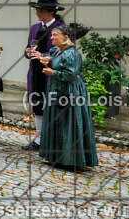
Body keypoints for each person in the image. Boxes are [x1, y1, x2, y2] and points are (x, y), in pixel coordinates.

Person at [35, 22, 98, 170]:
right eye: (51, 35)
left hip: (70, 91)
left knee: (68, 122)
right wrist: (48, 62)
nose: (51, 37)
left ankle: (72, 160)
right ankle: (57, 157)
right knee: (56, 120)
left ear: (66, 37)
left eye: (55, 35)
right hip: (57, 88)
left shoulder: (72, 54)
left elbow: (70, 74)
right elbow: (57, 64)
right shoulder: (57, 50)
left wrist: (53, 72)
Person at [23, 0, 66, 151]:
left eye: (40, 10)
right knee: (38, 105)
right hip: (36, 73)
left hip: (51, 73)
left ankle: (52, 141)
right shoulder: (34, 28)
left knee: (51, 106)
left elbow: (64, 52)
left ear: (50, 12)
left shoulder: (61, 28)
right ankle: (39, 139)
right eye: (37, 10)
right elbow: (28, 49)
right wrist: (28, 52)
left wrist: (43, 55)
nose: (37, 13)